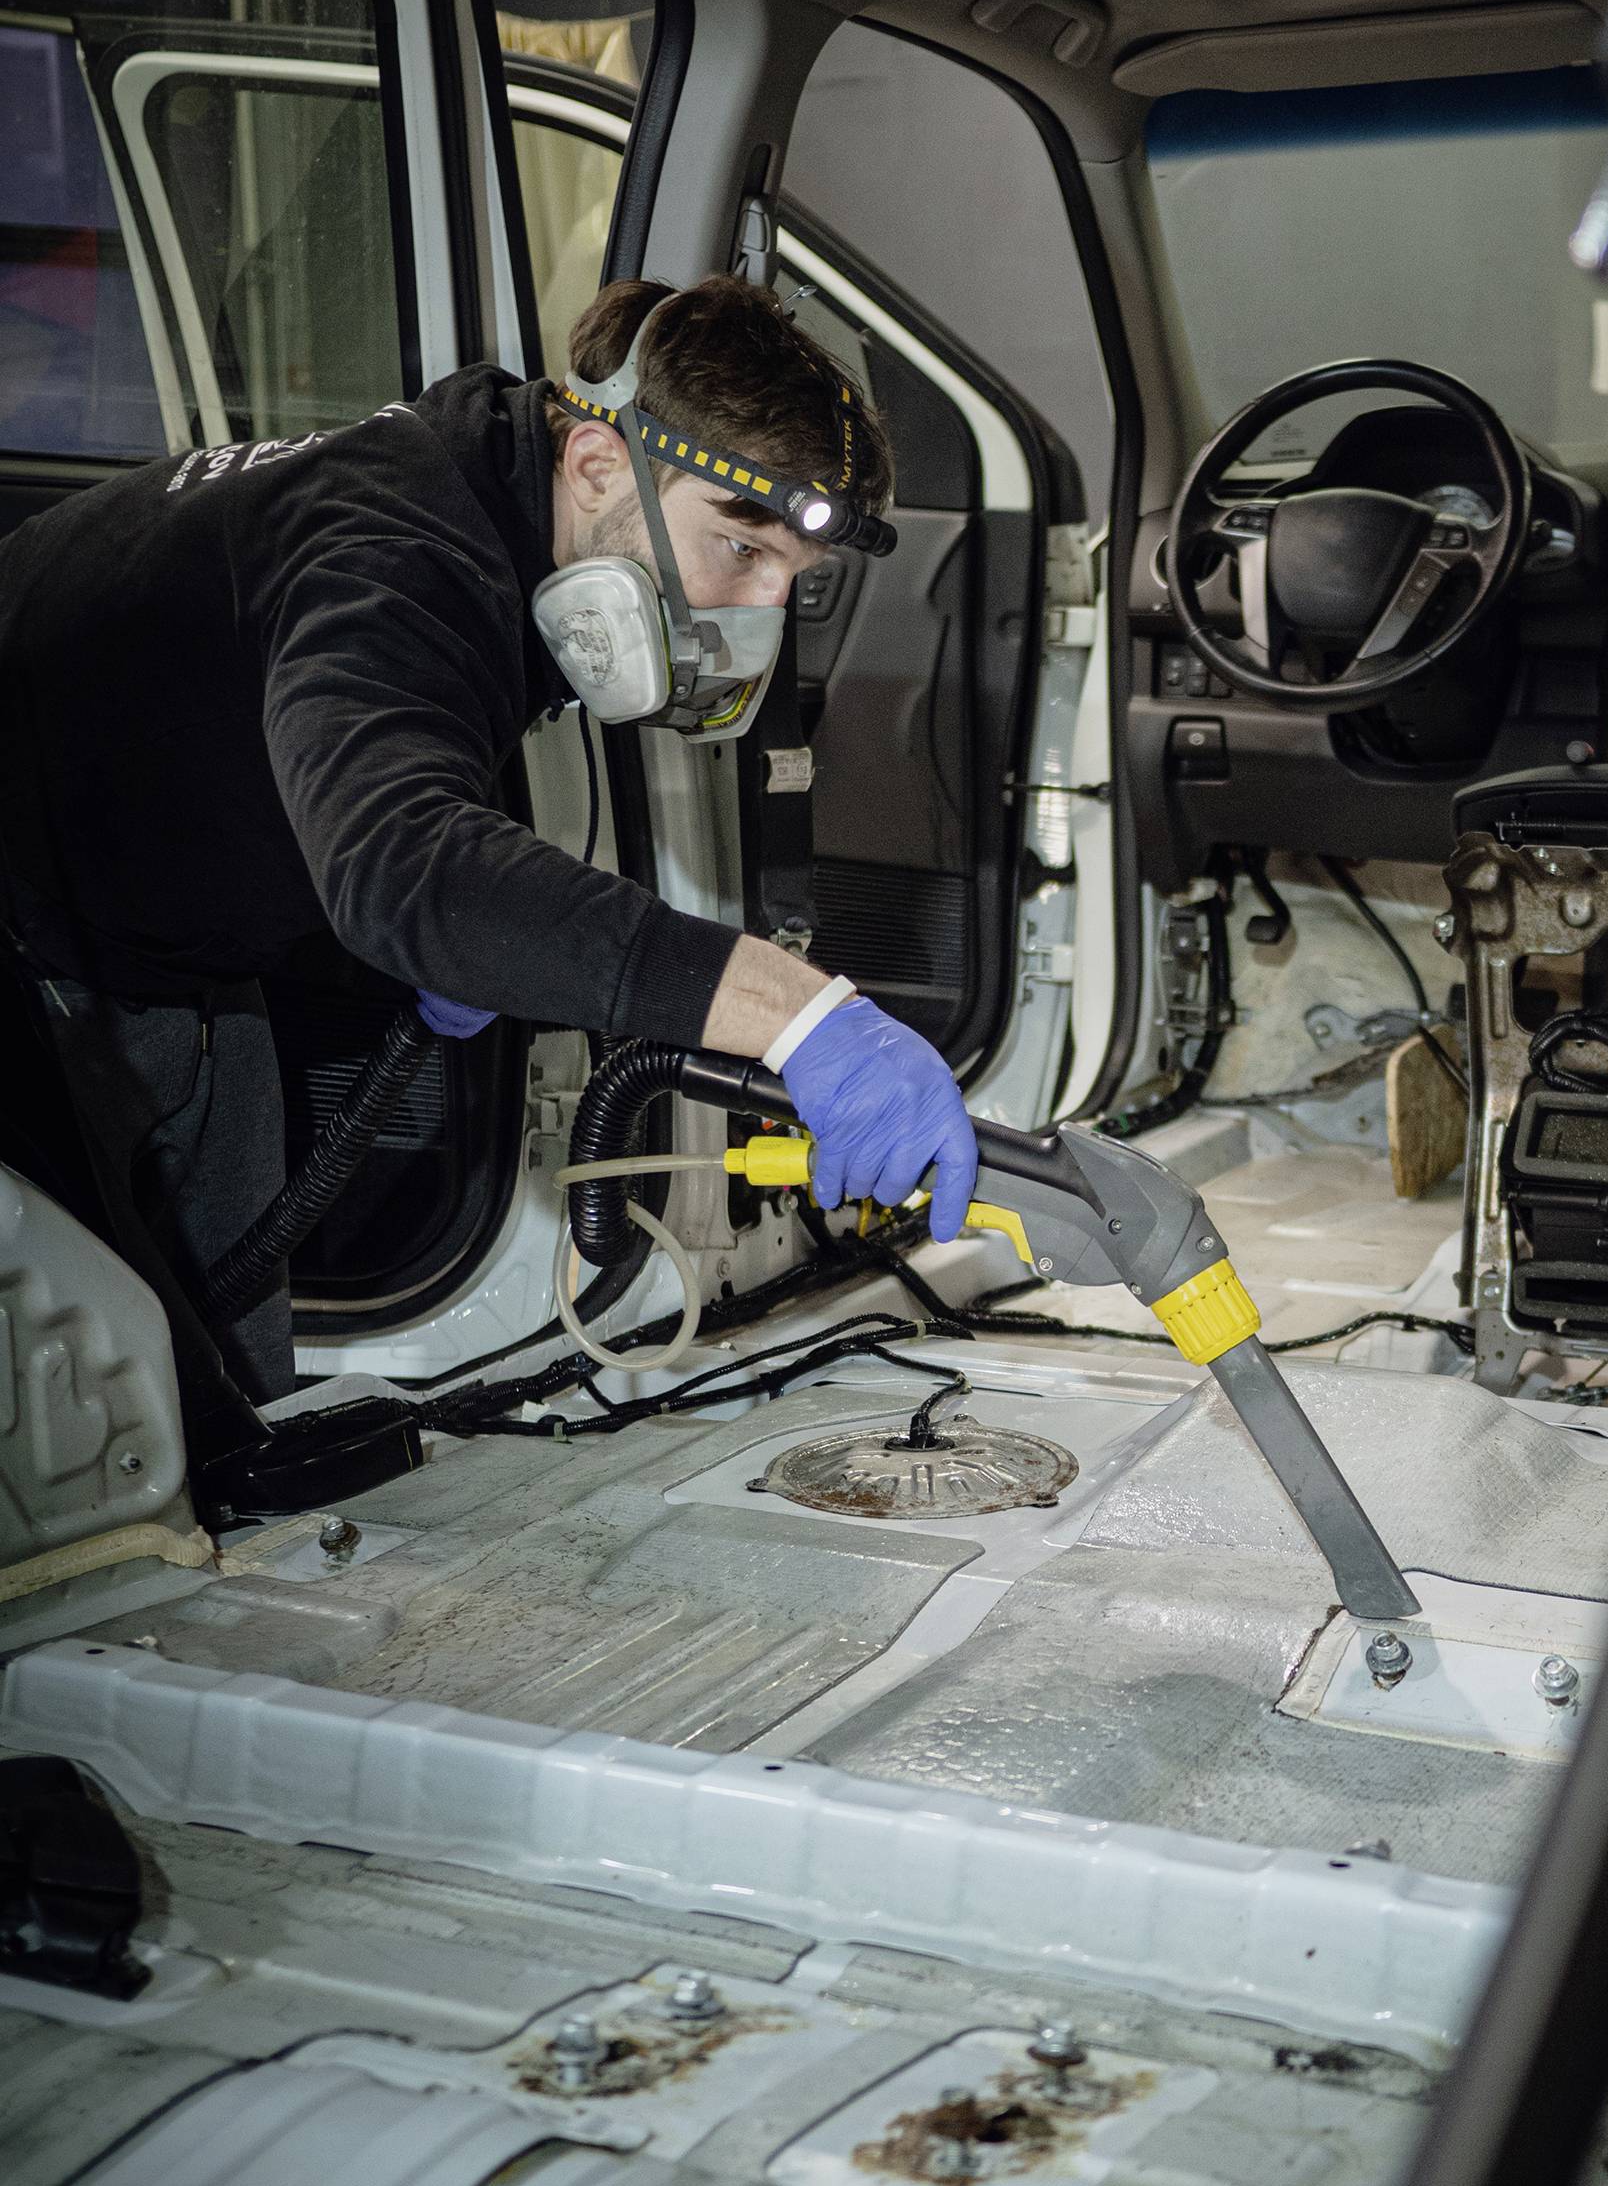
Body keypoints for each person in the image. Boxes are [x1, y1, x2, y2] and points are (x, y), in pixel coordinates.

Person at [0, 273, 979, 1403]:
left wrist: (470, 929)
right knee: (97, 1422)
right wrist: (804, 1018)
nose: (755, 615)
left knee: (223, 1386)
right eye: (740, 551)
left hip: (156, 950)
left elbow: (400, 747)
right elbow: (403, 863)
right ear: (600, 465)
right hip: (33, 949)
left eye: (791, 582)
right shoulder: (389, 546)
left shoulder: (494, 506)